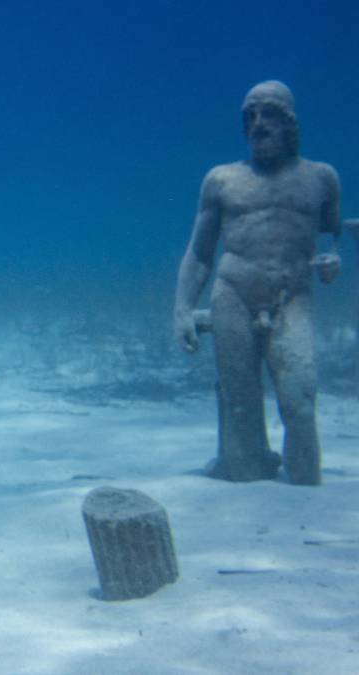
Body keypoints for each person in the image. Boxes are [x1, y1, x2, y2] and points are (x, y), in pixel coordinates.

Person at [174, 80, 340, 486]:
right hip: (233, 294)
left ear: (289, 123)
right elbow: (199, 252)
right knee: (240, 401)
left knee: (300, 399)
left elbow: (333, 231)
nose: (258, 124)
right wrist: (181, 308)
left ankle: (298, 473)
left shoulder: (321, 178)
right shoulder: (222, 180)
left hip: (291, 298)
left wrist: (335, 258)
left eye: (268, 114)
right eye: (250, 116)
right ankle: (246, 464)